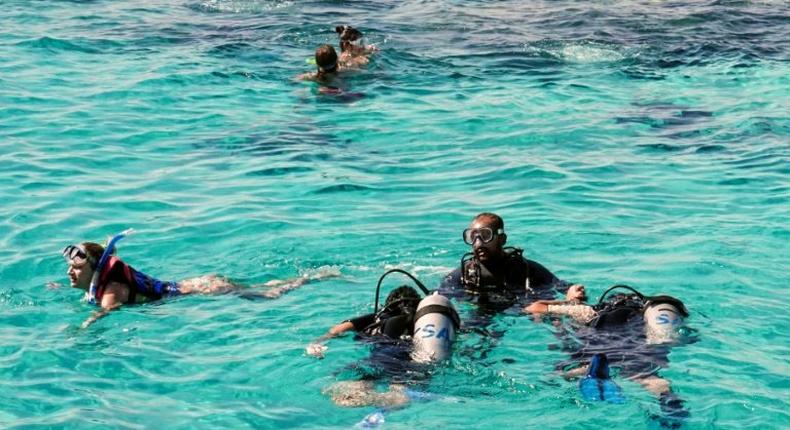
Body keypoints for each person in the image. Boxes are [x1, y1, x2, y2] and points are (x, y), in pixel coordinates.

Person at [62, 236, 334, 328]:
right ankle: (302, 278)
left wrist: (87, 324)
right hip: (198, 285)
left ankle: (312, 278)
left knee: (269, 296)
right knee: (258, 290)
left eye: (75, 268)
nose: (69, 273)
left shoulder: (112, 289)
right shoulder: (102, 284)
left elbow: (107, 310)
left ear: (96, 268)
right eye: (68, 268)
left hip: (202, 290)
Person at [525, 284, 692, 427]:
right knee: (651, 379)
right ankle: (670, 403)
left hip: (600, 349)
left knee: (557, 376)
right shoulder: (646, 316)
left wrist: (571, 300)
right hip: (635, 351)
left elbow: (535, 307)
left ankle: (591, 372)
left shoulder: (588, 310)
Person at [307, 285, 425, 408]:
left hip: (380, 356)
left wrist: (318, 342)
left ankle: (364, 392)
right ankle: (397, 396)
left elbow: (336, 330)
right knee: (399, 385)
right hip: (408, 358)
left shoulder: (377, 317)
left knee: (364, 380)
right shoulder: (422, 320)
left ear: (388, 305)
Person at [440, 212, 564, 312]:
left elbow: (562, 287)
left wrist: (572, 292)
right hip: (482, 312)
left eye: (485, 235)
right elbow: (440, 295)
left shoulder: (525, 268)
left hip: (523, 309)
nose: (478, 243)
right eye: (473, 237)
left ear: (502, 239)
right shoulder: (465, 273)